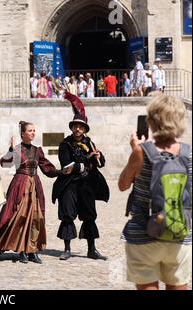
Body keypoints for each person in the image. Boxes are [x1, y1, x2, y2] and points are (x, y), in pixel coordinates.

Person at [118, 94, 191, 290]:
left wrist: (135, 151)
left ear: (151, 120)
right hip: (178, 234)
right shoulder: (189, 154)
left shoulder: (141, 151)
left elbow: (123, 184)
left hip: (143, 233)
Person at [0, 122, 69, 264]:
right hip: (20, 185)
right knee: (20, 215)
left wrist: (60, 172)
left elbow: (46, 168)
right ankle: (22, 250)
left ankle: (32, 250)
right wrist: (10, 150)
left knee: (36, 217)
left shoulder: (37, 150)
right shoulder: (16, 149)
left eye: (34, 130)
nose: (33, 133)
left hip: (35, 186)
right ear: (23, 134)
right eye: (30, 131)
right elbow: (5, 163)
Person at [52, 101, 110, 261]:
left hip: (86, 185)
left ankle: (92, 249)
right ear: (72, 128)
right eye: (75, 126)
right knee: (67, 215)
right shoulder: (65, 144)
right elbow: (66, 165)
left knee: (89, 215)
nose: (78, 129)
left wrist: (98, 157)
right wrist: (86, 160)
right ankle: (67, 249)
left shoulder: (89, 143)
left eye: (81, 126)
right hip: (69, 184)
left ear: (84, 129)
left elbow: (101, 163)